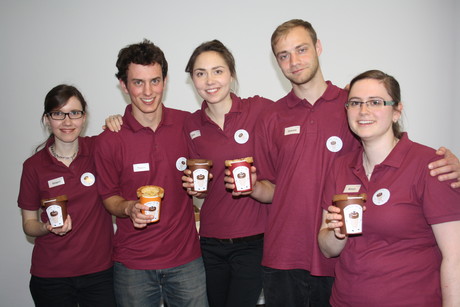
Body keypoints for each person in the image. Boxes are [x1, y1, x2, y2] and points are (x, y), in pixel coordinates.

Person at [225, 19, 460, 306]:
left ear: (318, 47)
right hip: (285, 254)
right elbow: (274, 186)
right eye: (283, 55)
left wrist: (449, 162)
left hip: (340, 262)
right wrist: (249, 186)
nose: (294, 61)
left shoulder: (351, 104)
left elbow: (395, 150)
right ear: (277, 62)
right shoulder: (271, 116)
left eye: (301, 49)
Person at [318, 69, 460, 306]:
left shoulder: (433, 165)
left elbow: (455, 258)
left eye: (375, 102)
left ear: (396, 111)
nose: (363, 111)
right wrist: (337, 232)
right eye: (355, 103)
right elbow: (327, 249)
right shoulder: (340, 167)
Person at [94, 39, 208, 307]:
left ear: (165, 81)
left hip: (186, 260)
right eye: (138, 82)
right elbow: (109, 197)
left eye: (155, 81)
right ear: (123, 85)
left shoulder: (186, 124)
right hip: (132, 265)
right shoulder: (110, 139)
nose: (148, 91)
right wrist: (128, 208)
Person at [181, 39, 272, 307]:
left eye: (217, 71)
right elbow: (198, 186)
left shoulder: (260, 110)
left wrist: (342, 98)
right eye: (200, 73)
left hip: (254, 241)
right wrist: (195, 188)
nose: (209, 80)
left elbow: (299, 109)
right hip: (209, 242)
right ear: (193, 80)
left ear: (231, 74)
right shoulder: (190, 124)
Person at [17, 84, 115, 307]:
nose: (67, 122)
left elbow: (129, 133)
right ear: (47, 119)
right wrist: (46, 228)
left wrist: (116, 120)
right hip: (52, 277)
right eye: (58, 114)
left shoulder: (99, 149)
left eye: (75, 113)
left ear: (84, 117)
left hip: (100, 274)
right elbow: (29, 223)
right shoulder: (34, 166)